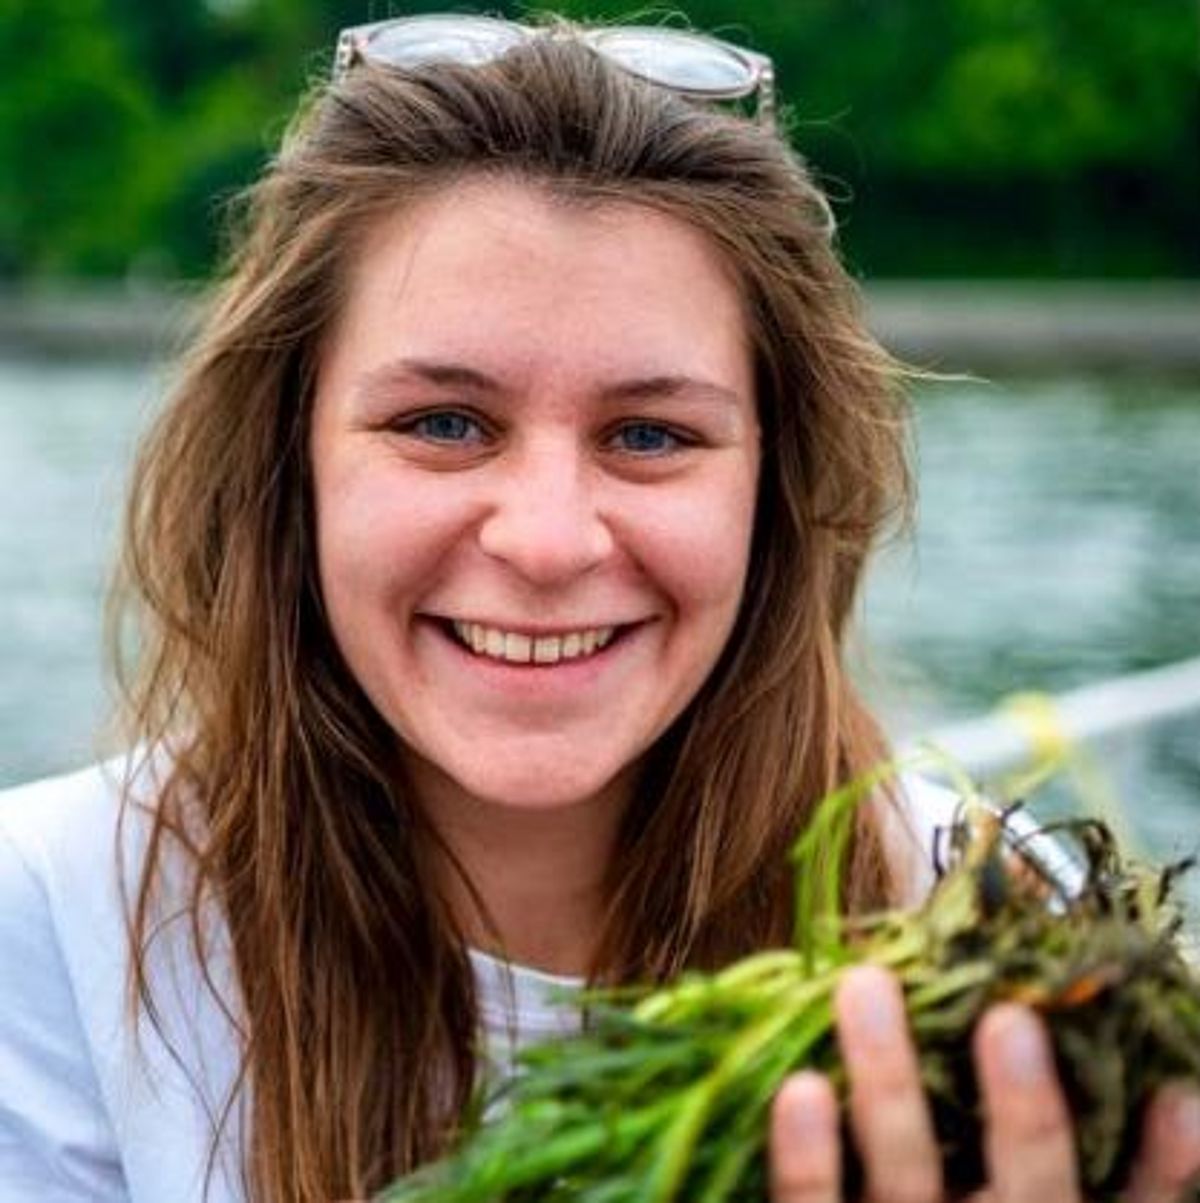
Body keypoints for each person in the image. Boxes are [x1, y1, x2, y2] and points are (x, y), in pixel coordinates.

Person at [1, 14, 1197, 1203]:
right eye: (444, 424)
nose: (547, 541)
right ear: (287, 461)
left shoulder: (1001, 940)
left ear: (775, 490)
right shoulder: (46, 923)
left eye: (650, 435)